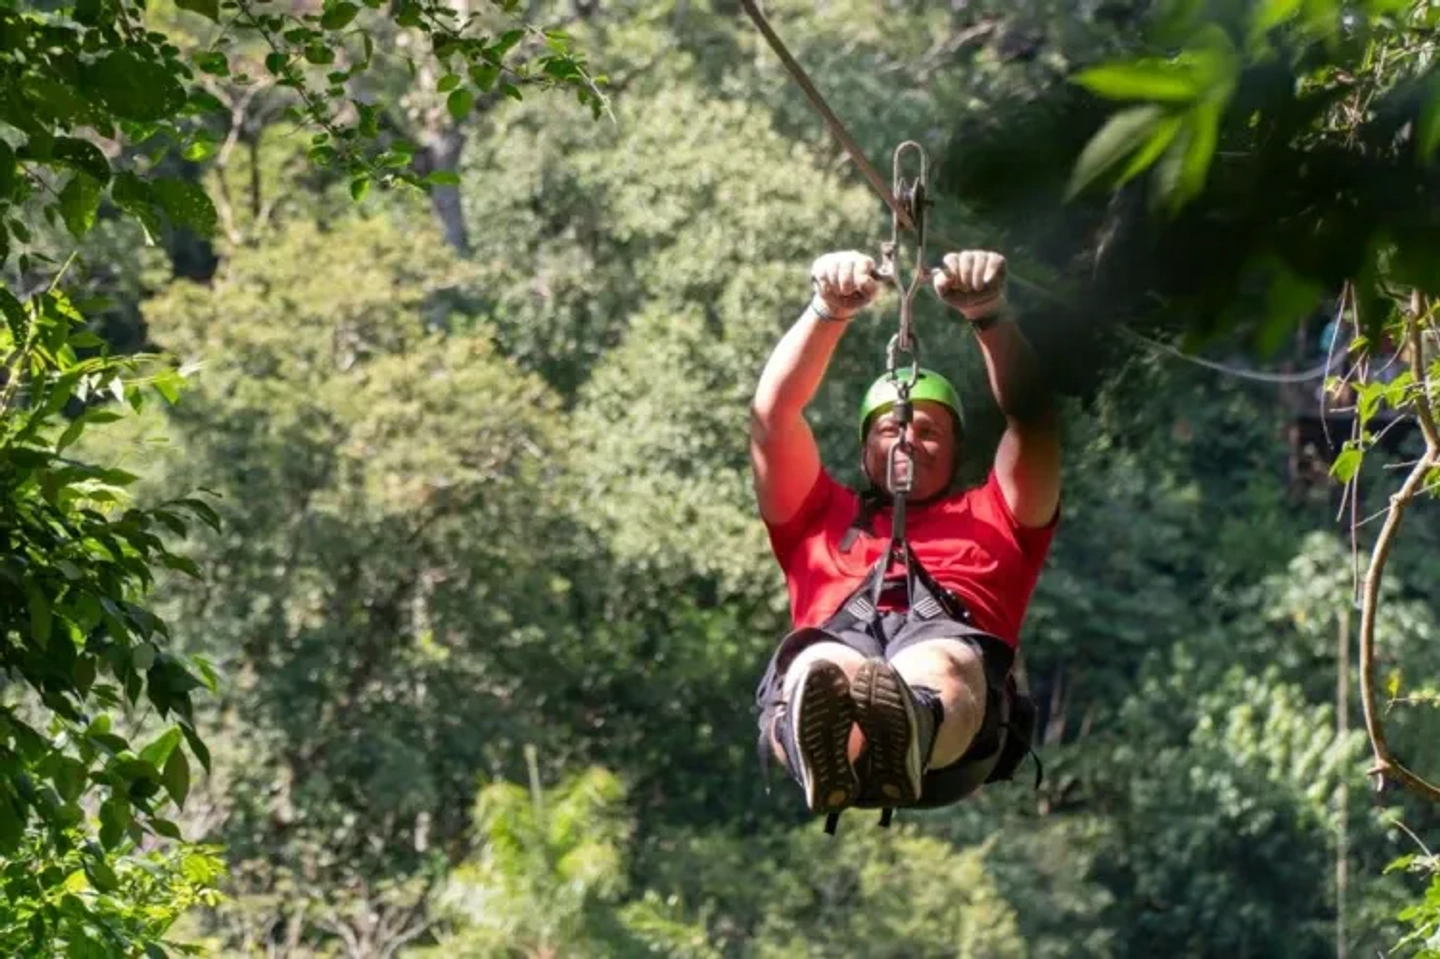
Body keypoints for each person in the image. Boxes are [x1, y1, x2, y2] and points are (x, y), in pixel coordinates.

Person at [749, 248, 1062, 827]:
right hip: (839, 647)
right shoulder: (818, 516)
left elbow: (1035, 423)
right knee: (821, 665)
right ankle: (831, 748)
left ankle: (908, 727)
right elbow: (772, 420)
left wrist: (989, 314)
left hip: (954, 710)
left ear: (958, 452)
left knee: (937, 662)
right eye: (891, 427)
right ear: (865, 447)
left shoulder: (999, 515)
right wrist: (827, 309)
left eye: (929, 430)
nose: (908, 440)